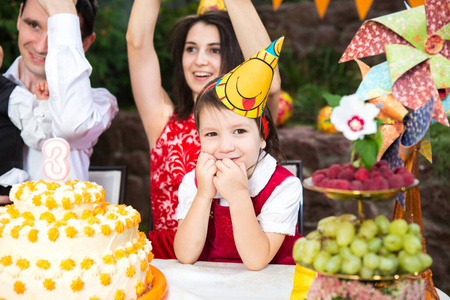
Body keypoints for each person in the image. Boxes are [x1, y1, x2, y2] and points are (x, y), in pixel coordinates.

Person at [127, 0, 281, 259]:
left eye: (214, 50)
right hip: (173, 264)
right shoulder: (162, 120)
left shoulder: (250, 118)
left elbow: (269, 74)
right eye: (191, 49)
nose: (199, 60)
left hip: (244, 264)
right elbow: (137, 43)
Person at [174, 38, 302, 271]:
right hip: (213, 283)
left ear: (263, 136)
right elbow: (185, 254)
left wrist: (240, 195)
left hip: (269, 285)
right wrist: (204, 194)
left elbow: (256, 261)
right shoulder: (193, 182)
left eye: (240, 131)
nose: (224, 146)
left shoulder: (285, 186)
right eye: (211, 134)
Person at [3, 0, 118, 183]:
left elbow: (71, 126)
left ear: (85, 43)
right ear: (19, 17)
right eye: (33, 25)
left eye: (56, 32)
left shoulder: (99, 103)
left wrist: (63, 12)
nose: (41, 47)